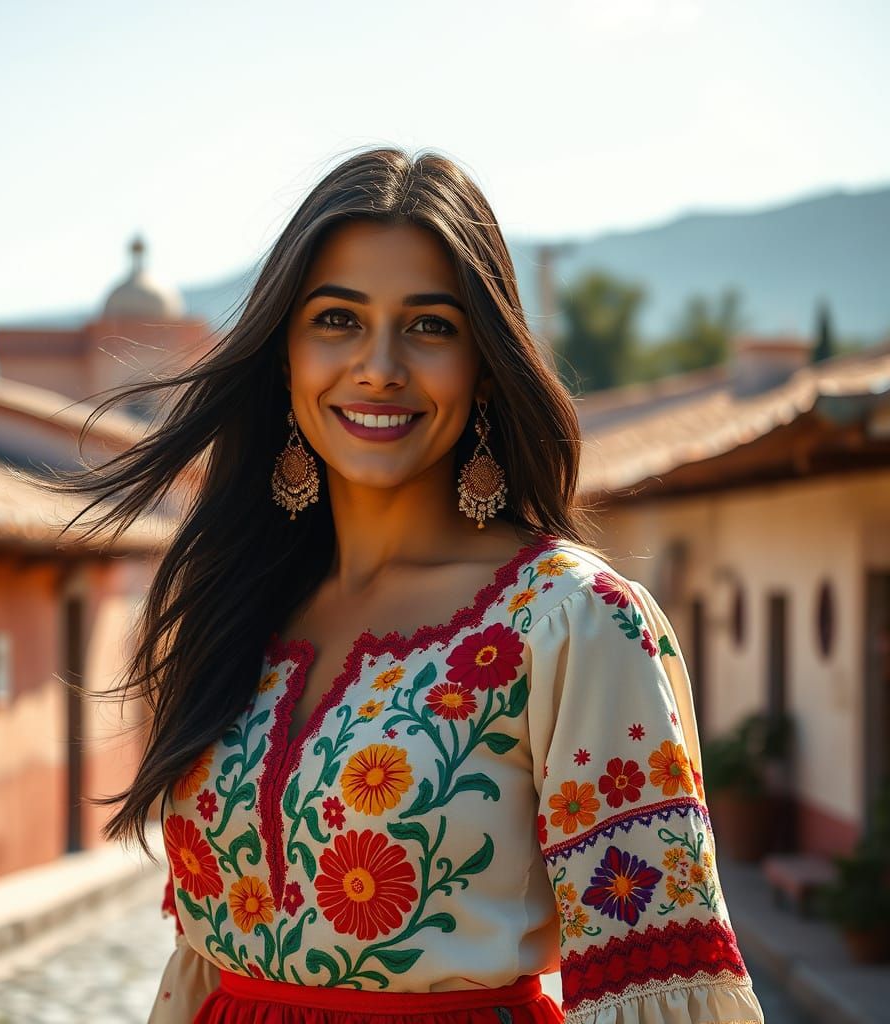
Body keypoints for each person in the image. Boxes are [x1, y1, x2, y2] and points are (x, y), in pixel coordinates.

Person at [54, 148, 765, 1023]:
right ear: (284, 357)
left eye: (429, 326)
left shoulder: (571, 624)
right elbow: (199, 963)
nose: (379, 366)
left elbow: (658, 983)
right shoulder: (237, 603)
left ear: (484, 363)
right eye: (337, 320)